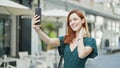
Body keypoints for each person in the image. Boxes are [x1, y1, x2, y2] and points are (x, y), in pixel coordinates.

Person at [32, 10, 98, 68]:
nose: (72, 23)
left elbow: (81, 54)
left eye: (75, 19)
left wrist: (80, 36)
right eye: (70, 21)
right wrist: (37, 30)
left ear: (83, 20)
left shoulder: (90, 41)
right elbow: (50, 41)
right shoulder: (66, 39)